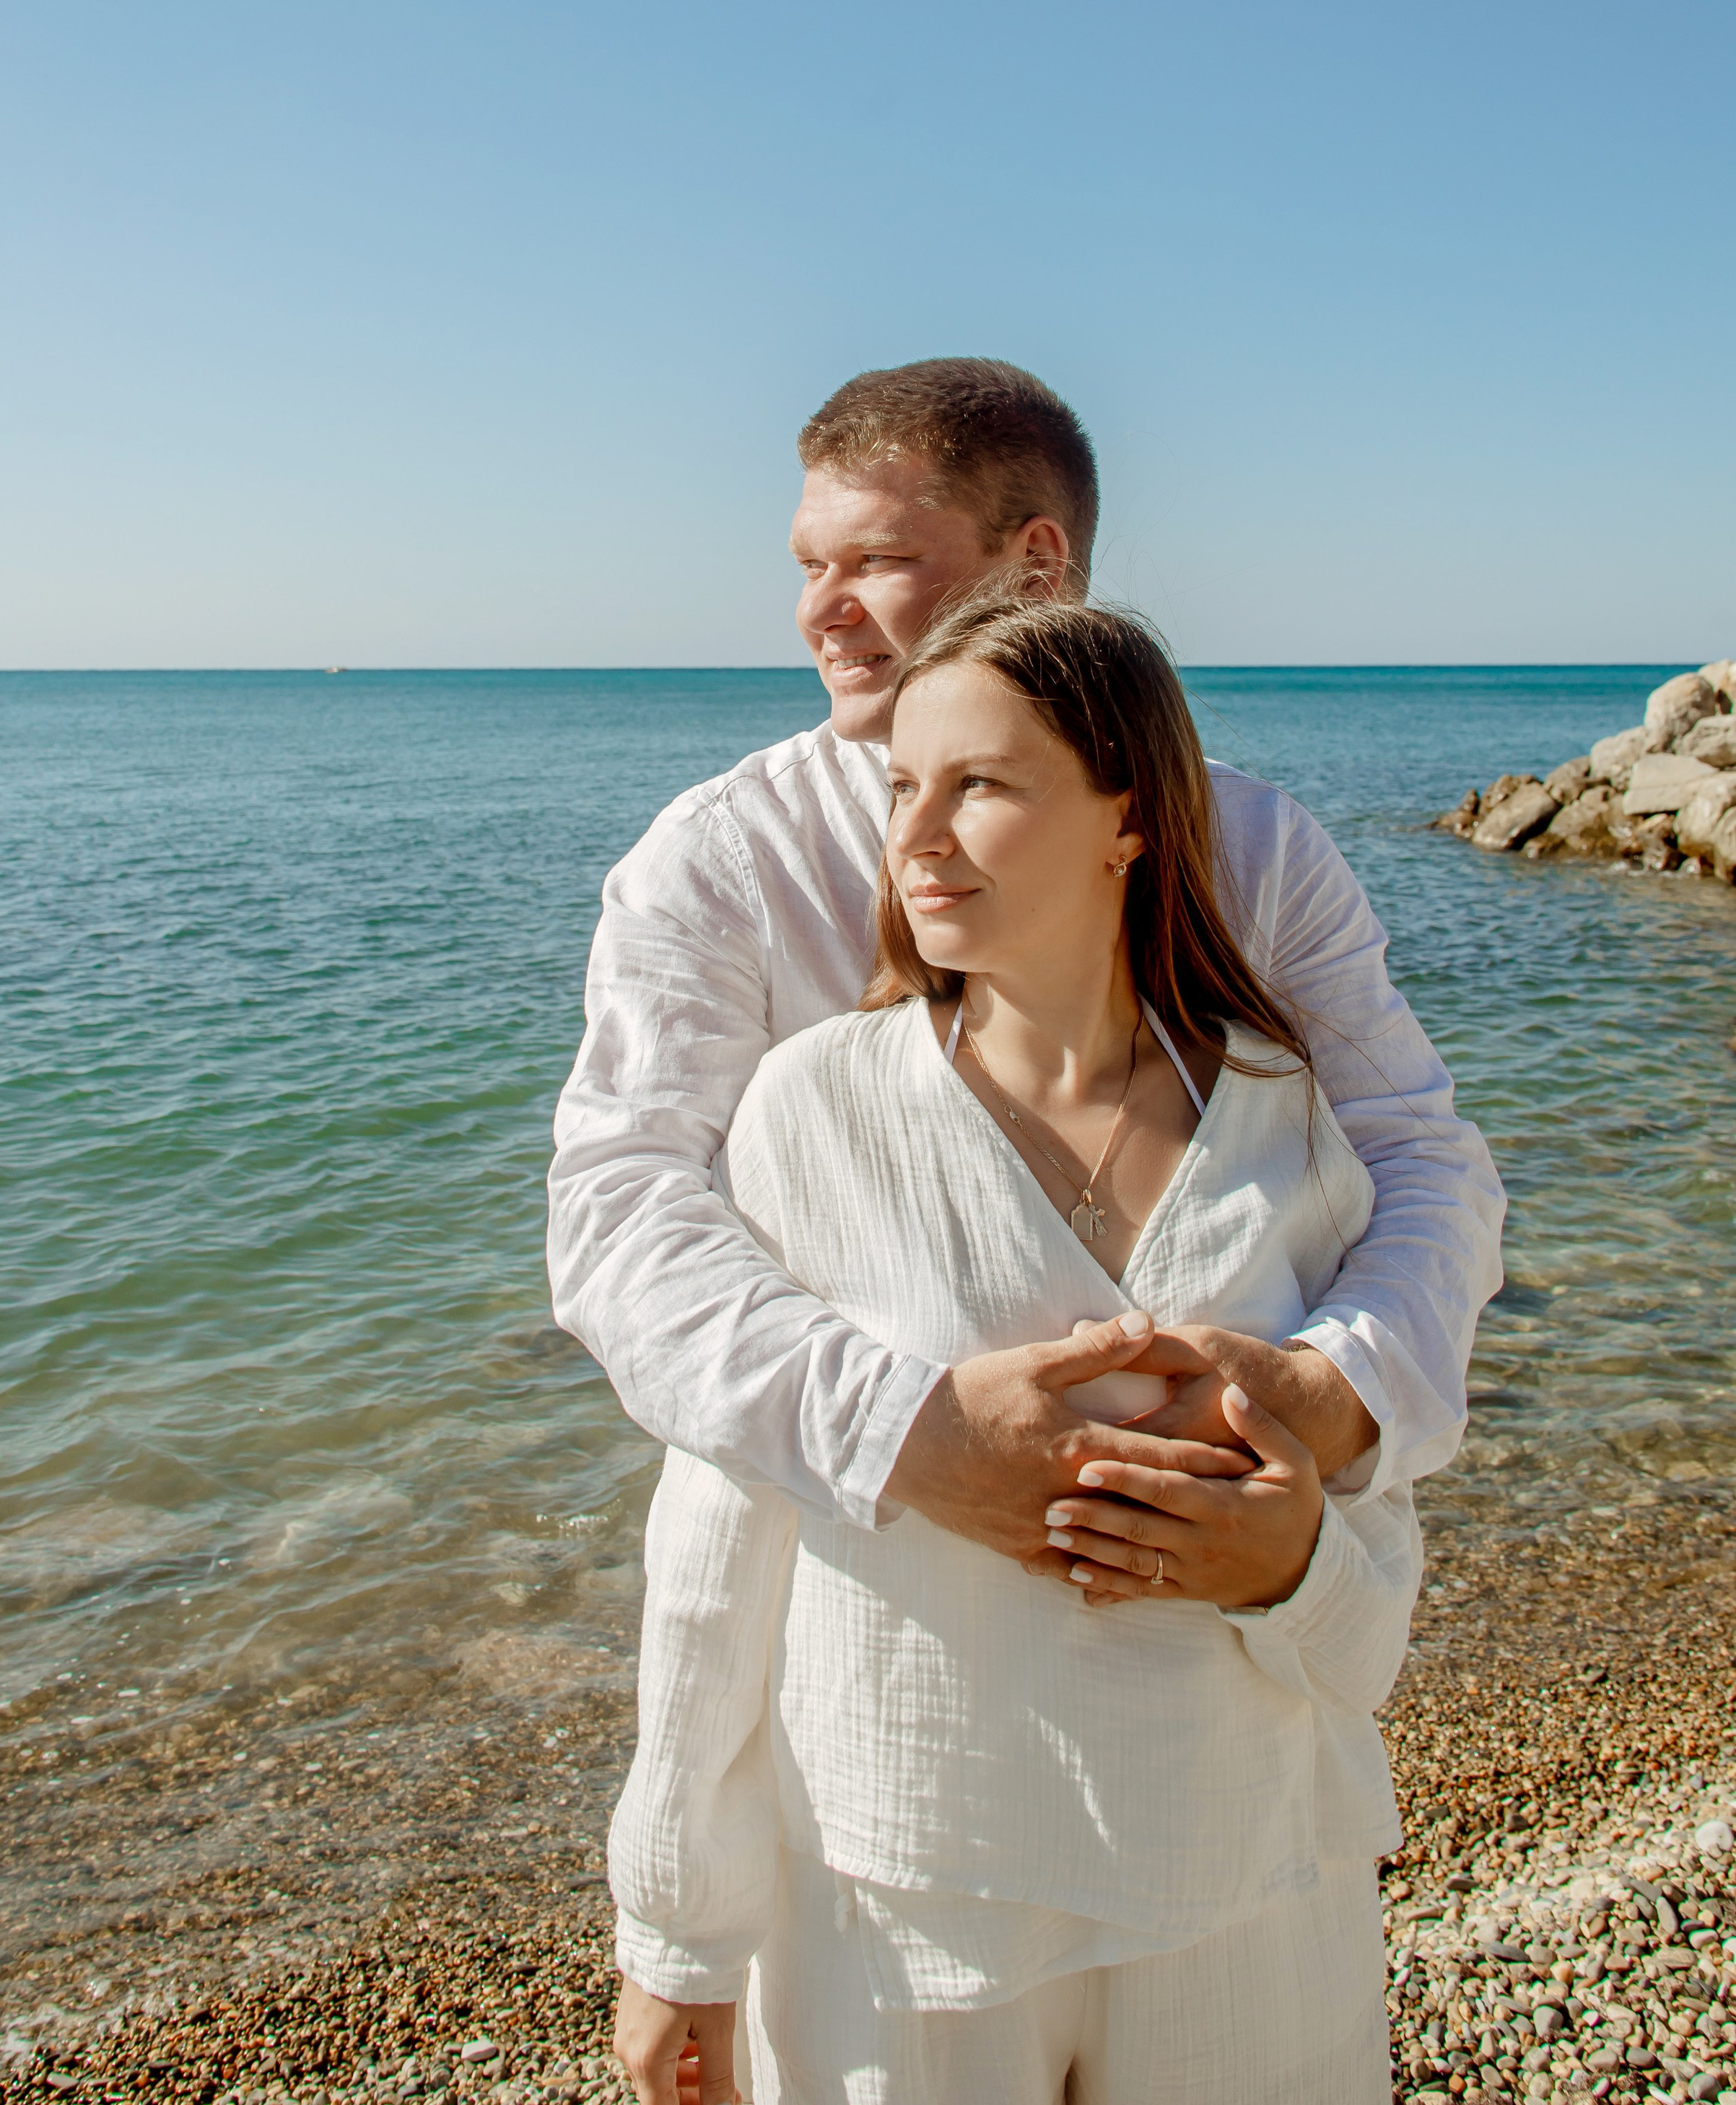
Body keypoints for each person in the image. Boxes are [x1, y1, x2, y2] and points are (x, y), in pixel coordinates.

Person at [609, 591, 1420, 2105]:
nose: (916, 834)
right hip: (896, 1882)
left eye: (978, 784)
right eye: (900, 787)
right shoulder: (808, 1111)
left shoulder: (1285, 1118)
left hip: (1243, 1869)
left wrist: (1295, 1567)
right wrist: (676, 1935)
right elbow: (717, 1542)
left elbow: (1370, 1572)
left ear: (1128, 815)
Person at [549, 357, 1503, 1577]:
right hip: (842, 1577)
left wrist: (1333, 1391)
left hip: (1222, 1614)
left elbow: (1419, 1154)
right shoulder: (725, 860)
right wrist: (904, 1434)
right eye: (808, 565)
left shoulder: (1253, 851)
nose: (820, 611)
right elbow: (618, 1208)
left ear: (1037, 565)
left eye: (878, 562)